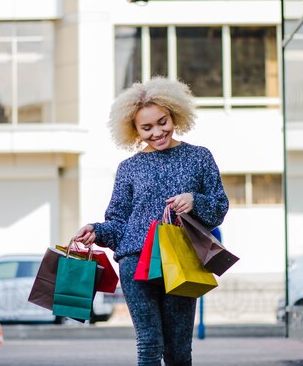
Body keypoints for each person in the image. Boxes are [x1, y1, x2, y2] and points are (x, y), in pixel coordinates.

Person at [73, 77, 229, 366]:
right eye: (147, 127)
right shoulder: (128, 168)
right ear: (133, 130)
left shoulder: (199, 157)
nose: (158, 132)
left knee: (179, 350)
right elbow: (118, 222)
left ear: (174, 115)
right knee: (148, 344)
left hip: (182, 260)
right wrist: (96, 230)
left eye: (163, 121)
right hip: (135, 261)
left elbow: (219, 207)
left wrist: (195, 200)